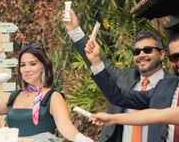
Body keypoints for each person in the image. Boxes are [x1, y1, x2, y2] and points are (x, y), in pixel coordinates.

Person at [86, 32, 179, 142]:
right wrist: (96, 61)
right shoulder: (165, 86)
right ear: (170, 60)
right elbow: (119, 97)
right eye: (175, 57)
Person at [63, 9, 168, 142]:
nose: (141, 55)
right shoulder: (124, 78)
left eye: (147, 50)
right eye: (136, 51)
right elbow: (97, 61)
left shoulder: (173, 85)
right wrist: (74, 30)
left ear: (162, 54)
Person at [0, 43, 92, 141]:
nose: (27, 69)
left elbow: (65, 126)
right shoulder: (13, 97)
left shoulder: (52, 96)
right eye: (23, 65)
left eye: (33, 64)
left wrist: (81, 139)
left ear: (43, 66)